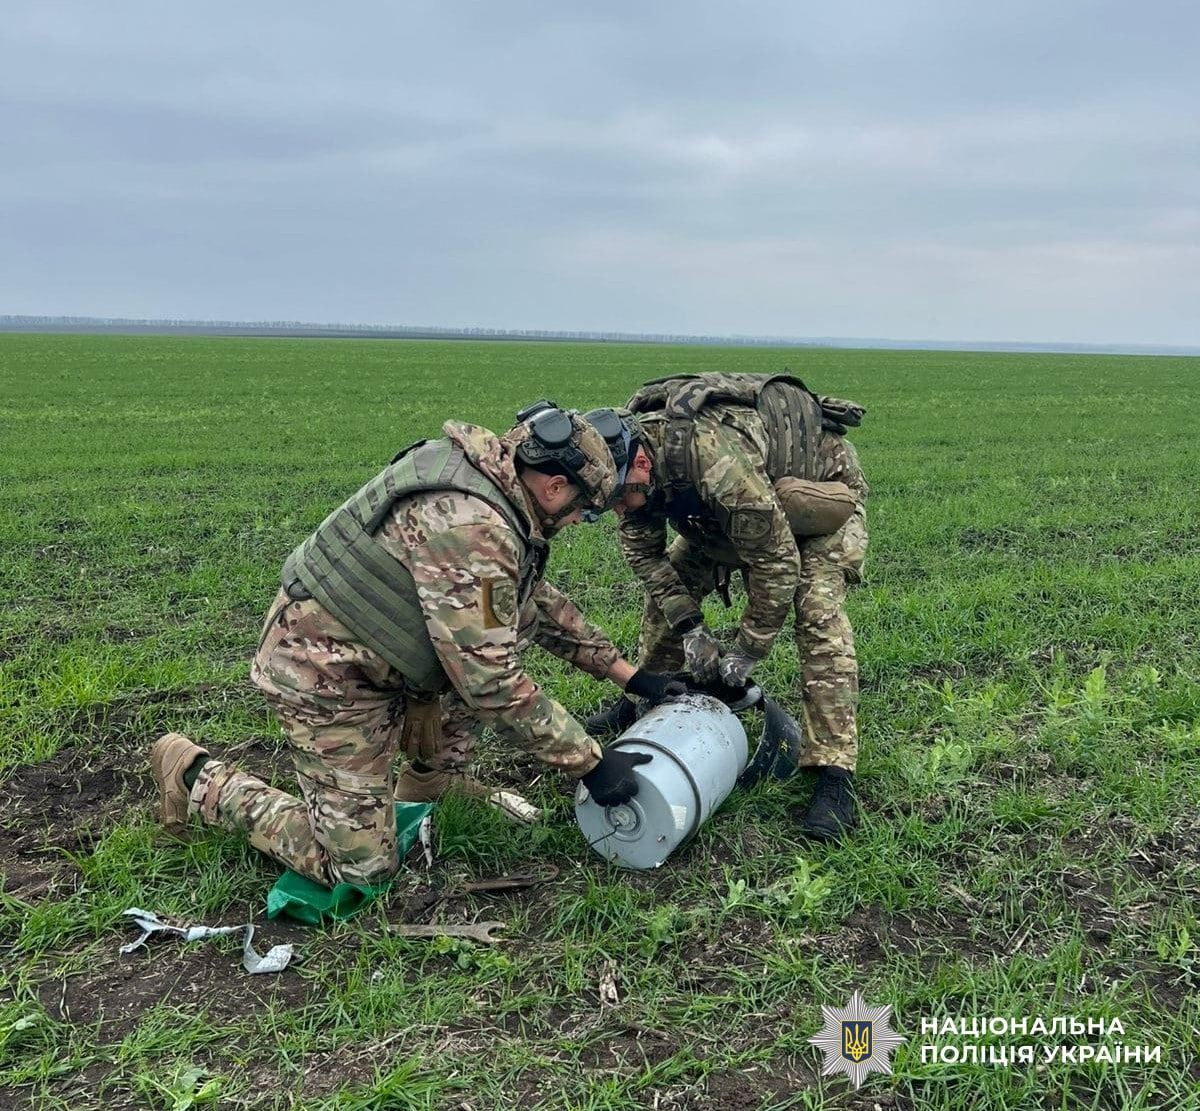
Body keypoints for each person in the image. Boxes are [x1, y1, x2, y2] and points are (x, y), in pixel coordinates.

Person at [151, 402, 675, 888]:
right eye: (586, 511)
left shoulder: (492, 484)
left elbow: (531, 600)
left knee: (496, 634)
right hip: (324, 674)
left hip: (377, 655)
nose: (581, 522)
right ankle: (200, 780)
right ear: (557, 487)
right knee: (362, 869)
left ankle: (431, 783)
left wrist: (627, 674)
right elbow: (491, 682)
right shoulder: (474, 527)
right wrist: (591, 763)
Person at [583, 374, 869, 842]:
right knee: (671, 586)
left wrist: (749, 649)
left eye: (619, 498)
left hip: (816, 497)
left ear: (640, 463)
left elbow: (777, 561)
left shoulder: (715, 464)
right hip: (731, 512)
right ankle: (643, 699)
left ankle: (834, 771)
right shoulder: (623, 472)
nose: (618, 510)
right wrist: (690, 626)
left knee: (819, 614)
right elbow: (646, 557)